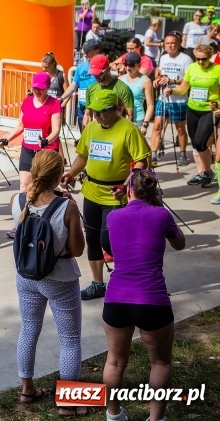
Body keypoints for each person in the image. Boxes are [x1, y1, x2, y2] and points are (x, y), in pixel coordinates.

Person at [9, 150, 88, 417]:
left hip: (27, 277)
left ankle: (27, 389)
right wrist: (71, 208)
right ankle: (67, 403)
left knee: (28, 330)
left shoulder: (18, 200)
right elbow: (77, 250)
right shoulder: (67, 207)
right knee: (70, 340)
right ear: (58, 176)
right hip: (60, 279)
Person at [102, 170, 185, 421]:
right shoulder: (161, 214)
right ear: (154, 192)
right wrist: (159, 206)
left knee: (114, 361)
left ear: (128, 190)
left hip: (116, 298)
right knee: (160, 362)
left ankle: (113, 415)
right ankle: (156, 418)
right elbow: (180, 243)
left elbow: (109, 248)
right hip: (152, 299)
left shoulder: (113, 216)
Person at [62, 91, 150, 301]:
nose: (97, 115)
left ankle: (129, 280)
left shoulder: (128, 129)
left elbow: (142, 160)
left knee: (109, 241)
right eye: (94, 111)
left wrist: (127, 185)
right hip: (92, 192)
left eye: (102, 111)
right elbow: (82, 156)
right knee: (92, 239)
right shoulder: (92, 128)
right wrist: (70, 174)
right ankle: (97, 284)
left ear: (116, 109)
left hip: (115, 195)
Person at [165, 44, 220, 190]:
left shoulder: (217, 70)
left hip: (208, 110)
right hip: (192, 109)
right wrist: (171, 91)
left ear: (210, 57)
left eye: (204, 59)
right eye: (198, 59)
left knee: (201, 142)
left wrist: (218, 105)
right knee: (195, 143)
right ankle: (203, 173)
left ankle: (207, 172)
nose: (201, 62)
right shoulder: (192, 68)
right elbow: (183, 88)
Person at [0, 72, 62, 194]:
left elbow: (56, 130)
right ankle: (26, 206)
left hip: (46, 150)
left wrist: (46, 141)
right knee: (24, 185)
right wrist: (6, 139)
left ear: (48, 87)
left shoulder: (54, 103)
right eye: (35, 88)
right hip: (28, 149)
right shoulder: (27, 102)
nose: (37, 91)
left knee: (43, 186)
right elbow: (20, 126)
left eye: (41, 88)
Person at [151, 34, 192, 167]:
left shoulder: (186, 59)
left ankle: (182, 154)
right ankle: (153, 154)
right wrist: (157, 80)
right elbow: (161, 74)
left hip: (178, 100)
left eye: (173, 43)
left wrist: (172, 80)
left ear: (178, 44)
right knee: (157, 126)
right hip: (163, 98)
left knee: (180, 128)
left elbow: (188, 80)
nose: (170, 45)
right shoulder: (163, 58)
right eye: (167, 43)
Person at [83, 54, 134, 129]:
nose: (96, 76)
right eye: (94, 73)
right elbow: (88, 115)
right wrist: (83, 134)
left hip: (116, 131)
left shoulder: (123, 89)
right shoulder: (91, 89)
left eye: (99, 73)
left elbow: (128, 116)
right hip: (98, 132)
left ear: (108, 69)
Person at [60, 40, 99, 133]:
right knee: (83, 135)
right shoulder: (80, 67)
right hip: (82, 106)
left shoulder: (101, 67)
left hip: (96, 107)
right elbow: (73, 86)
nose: (85, 54)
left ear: (96, 51)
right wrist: (61, 99)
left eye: (88, 51)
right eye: (84, 52)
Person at [119, 52, 154, 133]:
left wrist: (145, 124)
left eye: (131, 65)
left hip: (138, 119)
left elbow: (150, 105)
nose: (128, 68)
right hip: (122, 118)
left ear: (138, 64)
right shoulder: (120, 79)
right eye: (126, 64)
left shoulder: (145, 81)